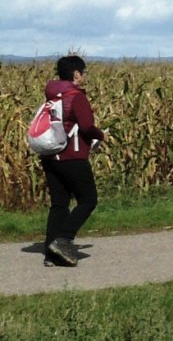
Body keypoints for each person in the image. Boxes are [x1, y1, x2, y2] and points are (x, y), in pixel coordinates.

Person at [38, 55, 104, 267]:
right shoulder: (76, 96)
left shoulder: (52, 95)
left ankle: (51, 254)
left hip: (50, 155)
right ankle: (64, 239)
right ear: (76, 74)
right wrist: (101, 136)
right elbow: (86, 126)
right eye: (84, 73)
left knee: (59, 204)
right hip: (72, 156)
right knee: (88, 200)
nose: (85, 76)